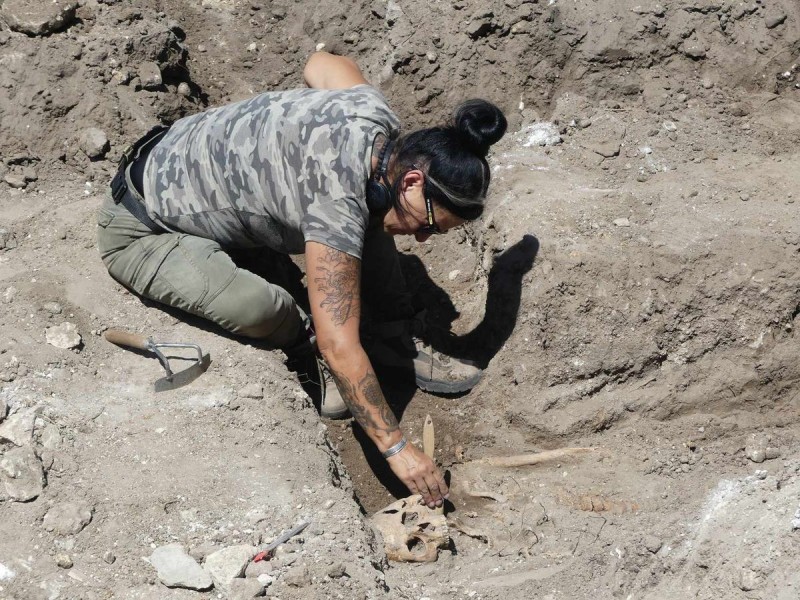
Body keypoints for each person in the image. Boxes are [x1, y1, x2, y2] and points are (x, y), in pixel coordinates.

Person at [96, 51, 507, 508]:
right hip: (142, 225)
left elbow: (319, 62)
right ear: (412, 180)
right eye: (429, 223)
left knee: (375, 212)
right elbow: (340, 345)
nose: (425, 239)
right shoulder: (335, 201)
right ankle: (299, 342)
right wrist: (397, 449)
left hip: (188, 170)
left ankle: (395, 339)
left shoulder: (373, 116)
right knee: (259, 309)